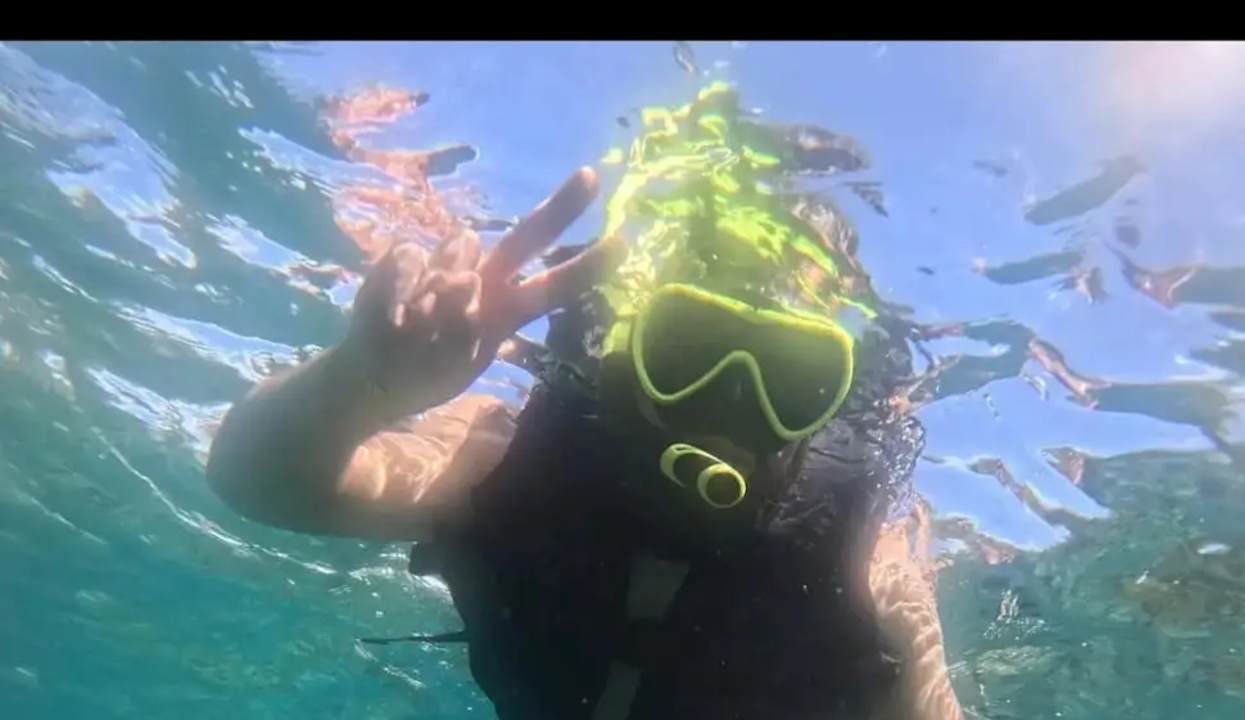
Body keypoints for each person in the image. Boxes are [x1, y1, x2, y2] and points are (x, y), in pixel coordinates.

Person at [208, 83, 963, 720]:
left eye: (792, 377)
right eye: (687, 349)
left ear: (833, 396)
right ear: (625, 346)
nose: (731, 406)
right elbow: (256, 481)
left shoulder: (872, 560)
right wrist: (359, 384)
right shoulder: (496, 452)